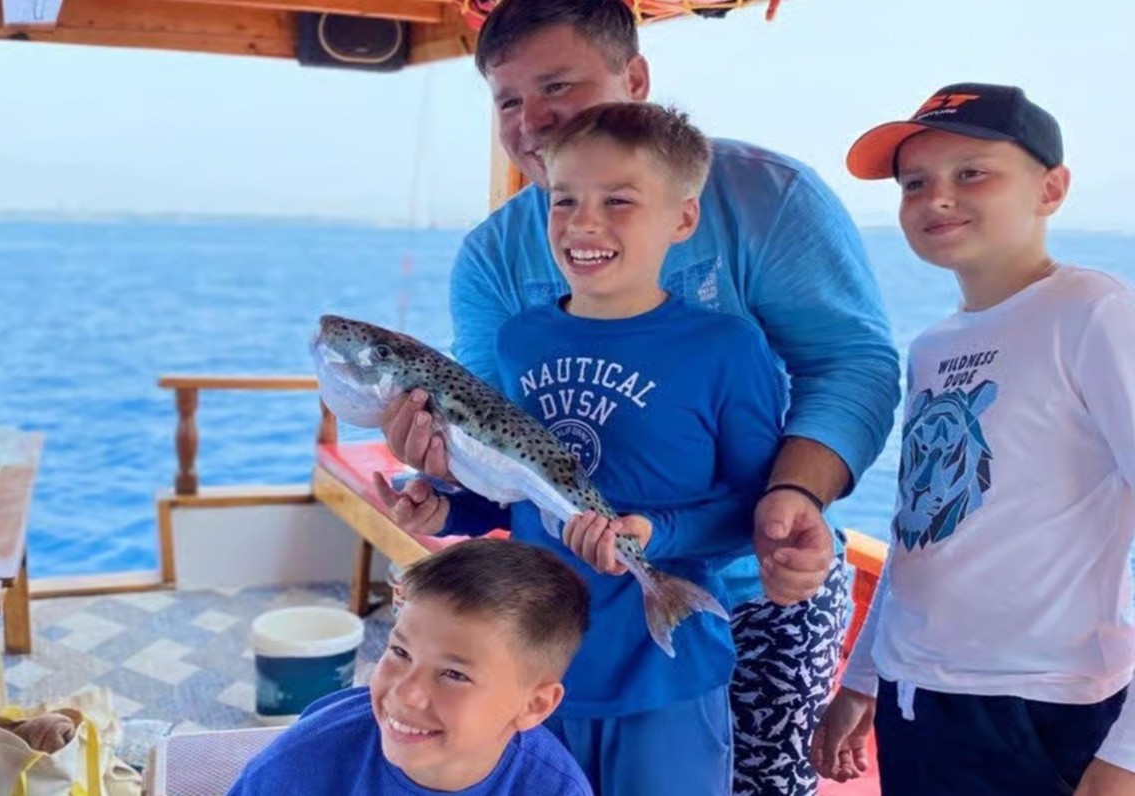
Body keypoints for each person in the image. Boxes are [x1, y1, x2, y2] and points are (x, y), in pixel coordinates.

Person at [377, 1, 901, 792]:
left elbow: (852, 363)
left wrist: (791, 497)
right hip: (570, 610)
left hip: (769, 571)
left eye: (558, 85)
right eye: (509, 101)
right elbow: (497, 438)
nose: (533, 120)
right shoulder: (493, 257)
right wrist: (443, 481)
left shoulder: (767, 197)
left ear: (637, 77)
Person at [380, 100, 783, 795]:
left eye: (618, 200)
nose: (584, 222)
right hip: (527, 669)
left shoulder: (726, 348)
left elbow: (756, 512)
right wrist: (447, 510)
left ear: (683, 218)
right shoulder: (521, 340)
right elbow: (518, 492)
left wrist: (656, 533)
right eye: (564, 199)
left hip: (664, 673)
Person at [812, 82, 1135, 796]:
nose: (937, 198)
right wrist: (863, 679)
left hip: (1042, 705)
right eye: (914, 183)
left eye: (971, 173)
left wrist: (1126, 755)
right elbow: (922, 531)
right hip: (917, 698)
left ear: (1051, 189)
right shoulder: (933, 346)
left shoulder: (1094, 314)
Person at [226, 538, 592, 796]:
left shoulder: (557, 788)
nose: (406, 693)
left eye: (454, 674)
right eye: (400, 652)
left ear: (535, 705)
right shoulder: (301, 762)